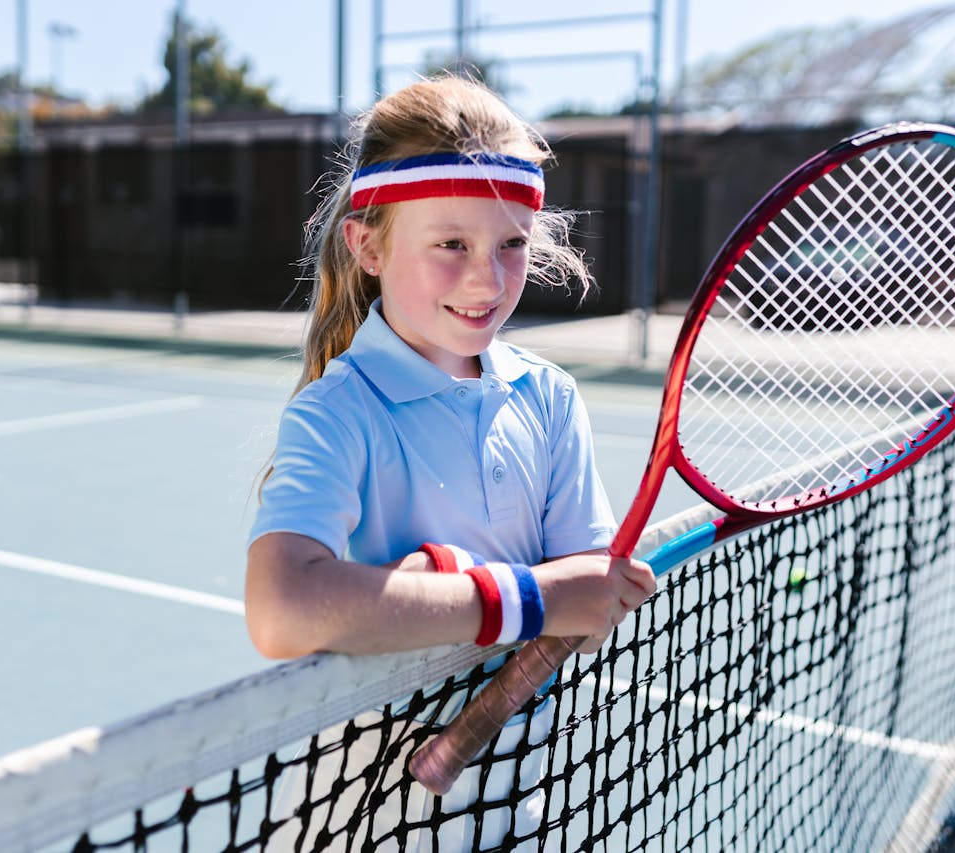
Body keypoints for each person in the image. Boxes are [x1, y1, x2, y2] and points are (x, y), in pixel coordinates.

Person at [244, 75, 655, 849]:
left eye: (511, 244)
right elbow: (281, 609)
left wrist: (585, 595)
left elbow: (580, 589)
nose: (488, 279)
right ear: (368, 245)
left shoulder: (550, 397)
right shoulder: (339, 413)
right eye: (450, 245)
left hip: (516, 792)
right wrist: (520, 598)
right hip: (358, 806)